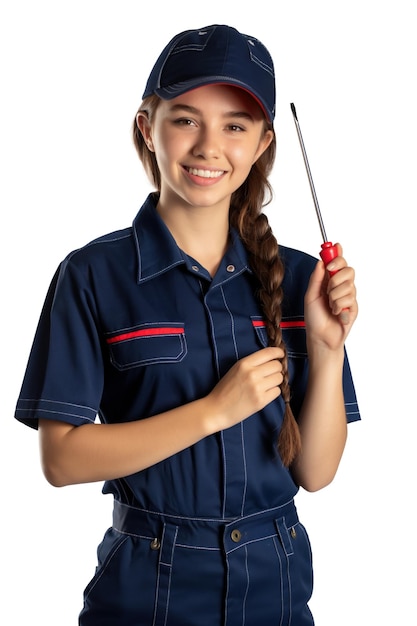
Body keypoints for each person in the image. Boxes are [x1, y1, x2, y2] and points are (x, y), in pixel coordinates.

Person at [15, 24, 360, 626]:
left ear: (262, 144)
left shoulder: (304, 282)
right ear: (147, 126)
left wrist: (328, 352)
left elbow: (316, 473)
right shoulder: (92, 274)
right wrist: (213, 412)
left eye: (235, 125)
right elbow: (61, 460)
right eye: (185, 119)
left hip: (275, 583)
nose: (208, 146)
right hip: (147, 586)